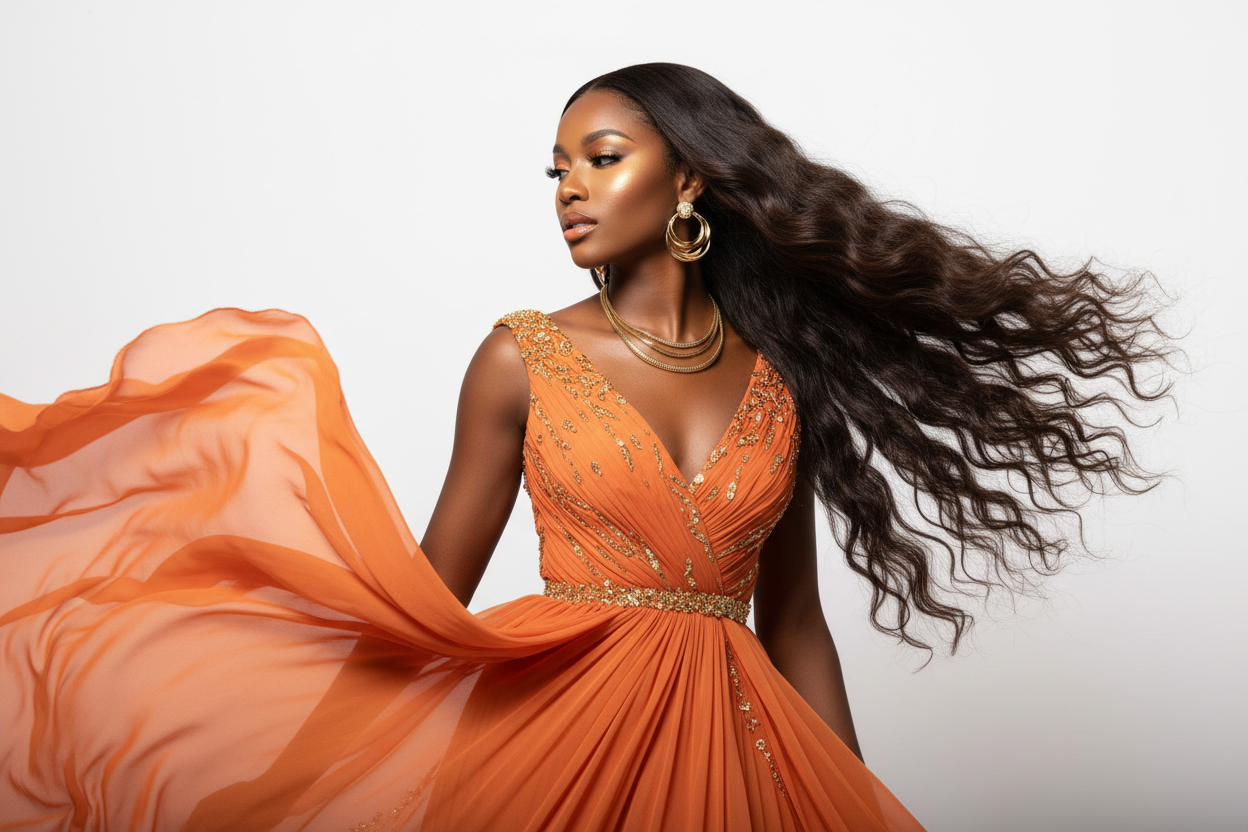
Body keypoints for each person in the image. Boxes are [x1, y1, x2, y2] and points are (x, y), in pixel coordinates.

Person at [0, 63, 1170, 831]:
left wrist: (854, 805)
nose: (567, 187)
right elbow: (425, 598)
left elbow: (796, 622)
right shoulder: (519, 359)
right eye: (557, 166)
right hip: (558, 746)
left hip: (738, 757)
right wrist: (291, 774)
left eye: (599, 157)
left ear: (690, 179)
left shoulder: (782, 381)